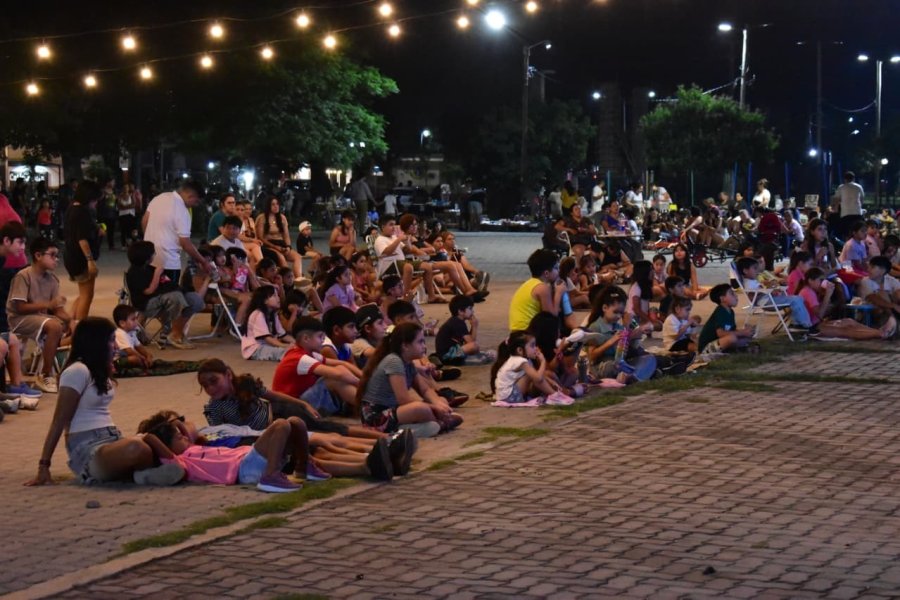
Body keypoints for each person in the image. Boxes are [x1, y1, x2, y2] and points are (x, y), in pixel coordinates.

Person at [25, 317, 184, 487]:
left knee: (168, 434)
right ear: (95, 343)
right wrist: (44, 466)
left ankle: (144, 474)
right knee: (137, 447)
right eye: (110, 340)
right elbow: (59, 421)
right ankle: (143, 474)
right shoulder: (77, 371)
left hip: (112, 438)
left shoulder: (98, 369)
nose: (115, 346)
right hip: (88, 449)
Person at [140, 410, 312, 492]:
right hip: (244, 469)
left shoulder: (194, 447)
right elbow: (151, 439)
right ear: (168, 447)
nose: (184, 437)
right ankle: (271, 477)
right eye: (179, 438)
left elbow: (183, 428)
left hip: (248, 457)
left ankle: (304, 468)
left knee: (295, 422)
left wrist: (174, 425)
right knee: (281, 424)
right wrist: (146, 435)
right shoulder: (180, 460)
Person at [356, 322, 460, 437]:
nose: (424, 347)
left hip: (395, 412)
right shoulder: (394, 361)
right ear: (405, 345)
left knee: (442, 400)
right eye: (420, 342)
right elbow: (404, 400)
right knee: (421, 408)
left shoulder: (408, 362)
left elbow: (425, 390)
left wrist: (439, 404)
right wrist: (434, 409)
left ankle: (434, 425)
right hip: (376, 417)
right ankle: (435, 424)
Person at [7, 238, 72, 392]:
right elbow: (20, 307)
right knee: (54, 326)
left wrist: (72, 321)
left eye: (57, 256)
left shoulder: (53, 280)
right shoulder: (23, 276)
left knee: (73, 326)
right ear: (38, 255)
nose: (56, 259)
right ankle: (45, 375)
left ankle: (42, 365)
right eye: (52, 255)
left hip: (39, 319)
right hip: (17, 319)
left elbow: (58, 310)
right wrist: (48, 305)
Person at [141, 180, 211, 315]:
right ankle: (167, 331)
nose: (195, 206)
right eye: (196, 202)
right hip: (169, 262)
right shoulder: (183, 212)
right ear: (192, 196)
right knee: (171, 298)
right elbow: (185, 243)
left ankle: (141, 327)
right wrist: (203, 261)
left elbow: (145, 221)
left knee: (152, 295)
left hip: (148, 258)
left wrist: (150, 241)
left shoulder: (159, 198)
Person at [271, 316, 360, 416]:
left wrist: (365, 378)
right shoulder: (300, 358)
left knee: (339, 371)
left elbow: (342, 364)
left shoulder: (310, 353)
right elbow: (338, 374)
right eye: (320, 336)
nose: (323, 340)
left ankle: (365, 402)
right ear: (306, 338)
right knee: (333, 379)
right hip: (290, 407)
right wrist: (362, 384)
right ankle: (369, 406)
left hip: (298, 400)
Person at [125, 241, 198, 349]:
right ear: (145, 256)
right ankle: (172, 333)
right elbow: (149, 291)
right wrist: (157, 274)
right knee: (175, 297)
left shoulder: (149, 268)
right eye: (153, 253)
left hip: (159, 299)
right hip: (146, 304)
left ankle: (176, 332)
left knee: (194, 299)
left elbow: (166, 283)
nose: (154, 255)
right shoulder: (134, 272)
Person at [797, 267, 893, 340]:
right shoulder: (808, 292)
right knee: (846, 330)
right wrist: (827, 296)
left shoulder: (812, 291)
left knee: (849, 321)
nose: (823, 283)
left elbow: (822, 312)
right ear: (810, 280)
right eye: (820, 280)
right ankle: (880, 334)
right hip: (812, 328)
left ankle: (878, 331)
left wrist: (828, 299)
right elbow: (820, 314)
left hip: (816, 324)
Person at [735, 256, 817, 336]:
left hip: (768, 299)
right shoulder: (748, 283)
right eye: (754, 268)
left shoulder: (752, 281)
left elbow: (760, 289)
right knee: (796, 300)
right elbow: (754, 294)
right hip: (765, 302)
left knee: (798, 299)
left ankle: (797, 324)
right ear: (745, 271)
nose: (757, 271)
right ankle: (806, 325)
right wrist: (768, 289)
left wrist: (770, 288)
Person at [63, 181, 102, 324]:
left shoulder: (71, 208)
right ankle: (80, 328)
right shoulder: (82, 213)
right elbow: (82, 239)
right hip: (80, 259)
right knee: (87, 295)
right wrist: (90, 261)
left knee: (82, 294)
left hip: (71, 256)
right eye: (95, 200)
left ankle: (71, 322)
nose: (96, 203)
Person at [489, 330, 558, 403]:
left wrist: (550, 381)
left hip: (508, 396)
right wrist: (543, 361)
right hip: (510, 397)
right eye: (532, 346)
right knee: (531, 376)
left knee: (541, 376)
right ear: (520, 350)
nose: (536, 348)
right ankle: (555, 396)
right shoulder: (520, 361)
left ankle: (556, 394)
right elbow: (538, 378)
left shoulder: (523, 360)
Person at [509, 249, 564, 331]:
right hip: (526, 334)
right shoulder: (542, 288)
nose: (559, 271)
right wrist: (559, 293)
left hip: (517, 332)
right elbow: (552, 318)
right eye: (556, 268)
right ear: (546, 273)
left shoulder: (530, 283)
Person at [435, 294, 495, 366]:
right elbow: (471, 343)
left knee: (474, 347)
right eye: (470, 308)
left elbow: (468, 341)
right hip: (446, 356)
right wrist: (474, 326)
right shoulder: (457, 322)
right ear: (460, 311)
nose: (472, 312)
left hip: (450, 352)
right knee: (474, 346)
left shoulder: (457, 321)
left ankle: (471, 358)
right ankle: (467, 360)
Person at [697, 283, 755, 354]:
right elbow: (720, 334)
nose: (736, 296)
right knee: (732, 338)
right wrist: (742, 332)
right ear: (722, 299)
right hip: (706, 348)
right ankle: (737, 350)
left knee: (745, 338)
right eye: (732, 294)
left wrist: (745, 332)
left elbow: (731, 330)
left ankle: (738, 349)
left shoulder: (730, 312)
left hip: (720, 343)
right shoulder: (720, 312)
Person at [255, 196, 303, 278]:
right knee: (281, 257)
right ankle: (288, 279)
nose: (276, 206)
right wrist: (275, 247)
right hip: (268, 244)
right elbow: (260, 237)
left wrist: (288, 246)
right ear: (268, 206)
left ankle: (299, 278)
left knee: (297, 257)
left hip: (281, 244)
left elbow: (286, 235)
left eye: (277, 204)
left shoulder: (282, 218)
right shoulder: (262, 218)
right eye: (273, 204)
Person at [242, 285, 294, 361]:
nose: (278, 298)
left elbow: (283, 335)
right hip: (255, 349)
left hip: (267, 345)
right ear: (265, 301)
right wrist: (285, 346)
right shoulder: (258, 314)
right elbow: (268, 339)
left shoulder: (273, 314)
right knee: (282, 352)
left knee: (293, 349)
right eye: (274, 296)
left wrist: (297, 343)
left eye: (277, 295)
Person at [0, 194, 29, 331]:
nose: (23, 248)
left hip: (11, 264)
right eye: (21, 243)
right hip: (13, 265)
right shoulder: (6, 207)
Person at [857, 256, 900, 327]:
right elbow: (873, 298)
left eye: (872, 267)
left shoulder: (891, 280)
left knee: (897, 293)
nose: (868, 270)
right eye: (869, 267)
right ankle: (893, 322)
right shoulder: (865, 281)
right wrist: (893, 306)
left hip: (892, 309)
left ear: (882, 270)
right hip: (872, 310)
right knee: (882, 294)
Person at [350, 304, 386, 368]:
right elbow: (377, 354)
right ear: (368, 329)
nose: (385, 326)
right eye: (380, 323)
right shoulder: (358, 342)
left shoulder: (378, 339)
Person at [832, 171, 864, 240]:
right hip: (857, 214)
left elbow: (836, 199)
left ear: (845, 179)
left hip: (846, 214)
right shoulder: (859, 187)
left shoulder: (841, 187)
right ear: (853, 179)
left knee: (846, 233)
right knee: (858, 232)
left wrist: (836, 209)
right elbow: (862, 199)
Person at [117, 183, 141, 248]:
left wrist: (125, 207)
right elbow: (119, 206)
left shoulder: (131, 195)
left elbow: (134, 205)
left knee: (131, 229)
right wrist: (128, 206)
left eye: (127, 187)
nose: (126, 189)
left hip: (130, 214)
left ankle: (131, 243)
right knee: (123, 230)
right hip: (122, 215)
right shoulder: (120, 196)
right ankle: (123, 244)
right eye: (124, 187)